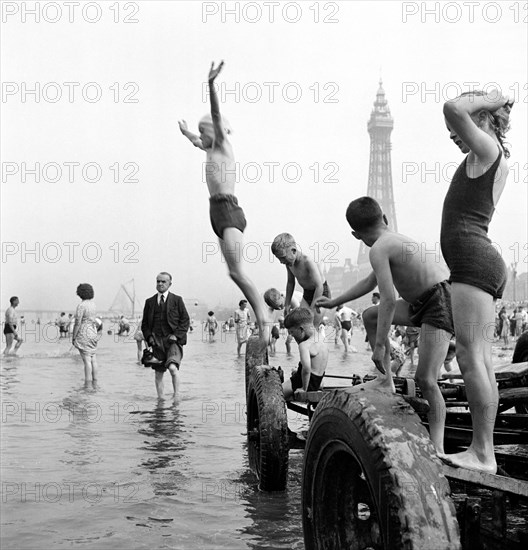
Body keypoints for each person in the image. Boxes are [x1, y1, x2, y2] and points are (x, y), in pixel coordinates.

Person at [316, 197, 454, 455]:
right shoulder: (393, 240)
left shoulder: (378, 248)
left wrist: (380, 345)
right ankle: (385, 381)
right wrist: (335, 300)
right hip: (422, 302)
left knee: (426, 378)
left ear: (356, 234)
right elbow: (369, 284)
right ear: (385, 219)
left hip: (439, 302)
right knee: (369, 315)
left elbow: (389, 298)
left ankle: (438, 449)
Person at [440, 89, 513, 473]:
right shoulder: (482, 154)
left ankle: (482, 453)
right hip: (476, 260)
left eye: (459, 128)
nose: (452, 132)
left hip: (473, 259)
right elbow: (455, 115)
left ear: (482, 116)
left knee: (470, 356)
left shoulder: (486, 150)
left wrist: (491, 97)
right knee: (480, 359)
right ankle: (485, 451)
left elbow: (452, 107)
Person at [178, 61, 270, 341]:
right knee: (232, 273)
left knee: (237, 271)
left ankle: (264, 321)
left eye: (202, 132)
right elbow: (197, 140)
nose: (201, 137)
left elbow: (216, 117)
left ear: (213, 133)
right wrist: (186, 133)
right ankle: (262, 319)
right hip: (216, 212)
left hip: (229, 210)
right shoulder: (208, 148)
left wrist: (211, 85)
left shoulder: (221, 144)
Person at [141, 272, 190, 399]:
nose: (160, 284)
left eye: (163, 282)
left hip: (173, 341)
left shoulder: (177, 300)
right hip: (156, 341)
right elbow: (145, 324)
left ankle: (176, 396)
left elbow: (185, 320)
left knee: (173, 368)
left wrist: (176, 335)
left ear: (170, 284)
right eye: (158, 281)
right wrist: (149, 337)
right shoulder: (150, 302)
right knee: (158, 373)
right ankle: (160, 400)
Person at [271, 233, 330, 327]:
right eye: (279, 259)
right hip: (307, 294)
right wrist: (287, 305)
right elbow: (290, 283)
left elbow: (319, 286)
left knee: (311, 327)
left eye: (283, 258)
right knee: (299, 325)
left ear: (293, 251)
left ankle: (318, 338)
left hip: (320, 294)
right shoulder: (289, 264)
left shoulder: (307, 262)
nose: (282, 262)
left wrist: (312, 309)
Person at [282, 308, 329, 401]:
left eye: (292, 332)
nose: (291, 336)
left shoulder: (305, 345)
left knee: (273, 393)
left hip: (303, 383)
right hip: (317, 381)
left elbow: (307, 369)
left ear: (301, 329)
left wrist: (304, 389)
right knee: (295, 371)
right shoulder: (323, 339)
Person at [72, 284, 99, 385]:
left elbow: (78, 322)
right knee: (93, 359)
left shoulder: (81, 305)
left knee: (86, 360)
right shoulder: (93, 305)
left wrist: (73, 337)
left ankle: (87, 383)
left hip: (84, 332)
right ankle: (95, 381)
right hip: (93, 331)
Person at [263, 288, 285, 357]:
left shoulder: (289, 298)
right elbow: (268, 322)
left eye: (279, 305)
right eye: (276, 308)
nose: (279, 308)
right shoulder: (271, 308)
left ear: (280, 297)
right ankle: (273, 354)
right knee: (272, 344)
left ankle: (273, 353)